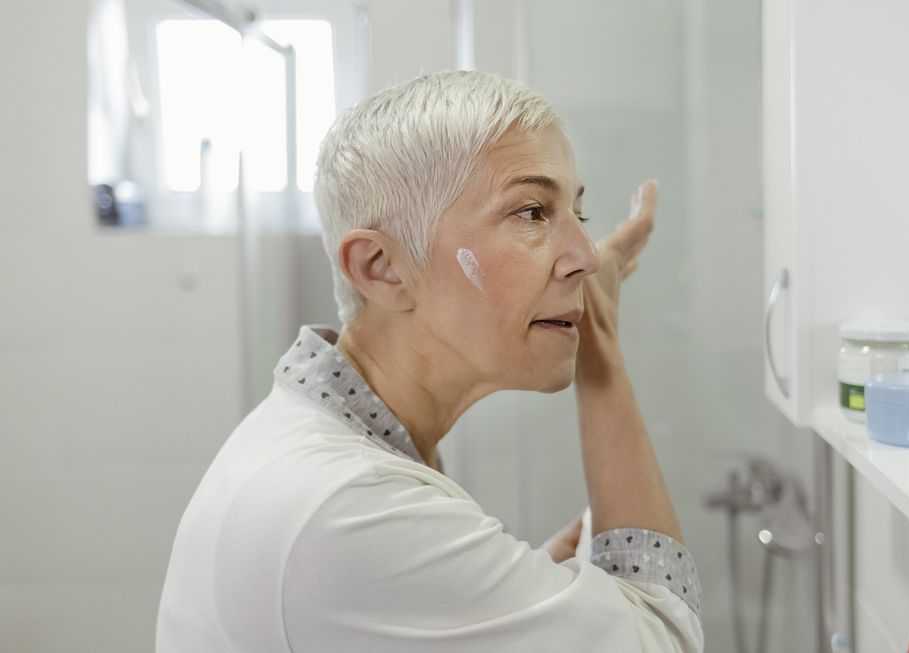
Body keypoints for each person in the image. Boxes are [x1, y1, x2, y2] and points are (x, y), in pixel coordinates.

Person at [156, 70, 703, 652]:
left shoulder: (324, 454)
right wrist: (602, 343)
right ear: (381, 267)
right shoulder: (349, 509)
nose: (586, 258)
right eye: (532, 212)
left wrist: (493, 610)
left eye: (578, 215)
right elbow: (662, 640)